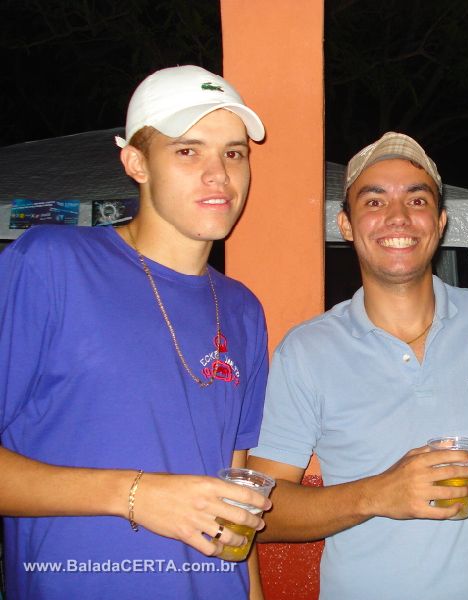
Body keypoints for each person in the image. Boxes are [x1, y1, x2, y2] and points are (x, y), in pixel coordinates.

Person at [0, 65, 271, 599]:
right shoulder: (51, 264)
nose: (219, 174)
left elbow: (236, 498)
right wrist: (133, 494)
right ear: (136, 162)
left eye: (234, 153)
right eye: (188, 151)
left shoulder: (242, 309)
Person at [248, 132, 468, 599]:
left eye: (417, 199)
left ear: (440, 220)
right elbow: (263, 510)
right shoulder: (307, 350)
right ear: (346, 225)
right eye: (374, 201)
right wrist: (378, 494)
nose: (398, 217)